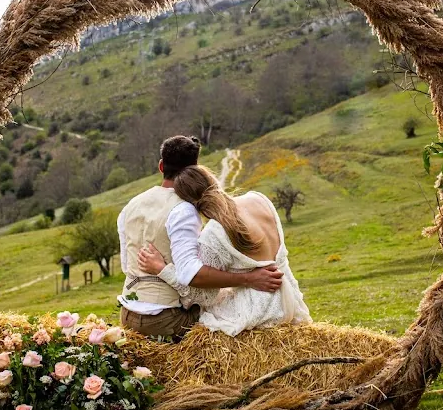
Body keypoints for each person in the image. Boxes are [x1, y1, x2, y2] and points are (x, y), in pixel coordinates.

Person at [117, 136, 284, 339]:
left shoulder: (130, 206)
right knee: (225, 311)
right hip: (166, 318)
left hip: (127, 314)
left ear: (161, 166)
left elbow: (127, 265)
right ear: (195, 168)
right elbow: (192, 274)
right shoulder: (183, 209)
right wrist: (248, 279)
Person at [136, 164, 311, 336]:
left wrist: (161, 269)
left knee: (202, 316)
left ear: (189, 204)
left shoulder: (215, 232)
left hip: (260, 312)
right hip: (291, 300)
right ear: (214, 181)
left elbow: (202, 296)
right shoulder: (259, 199)